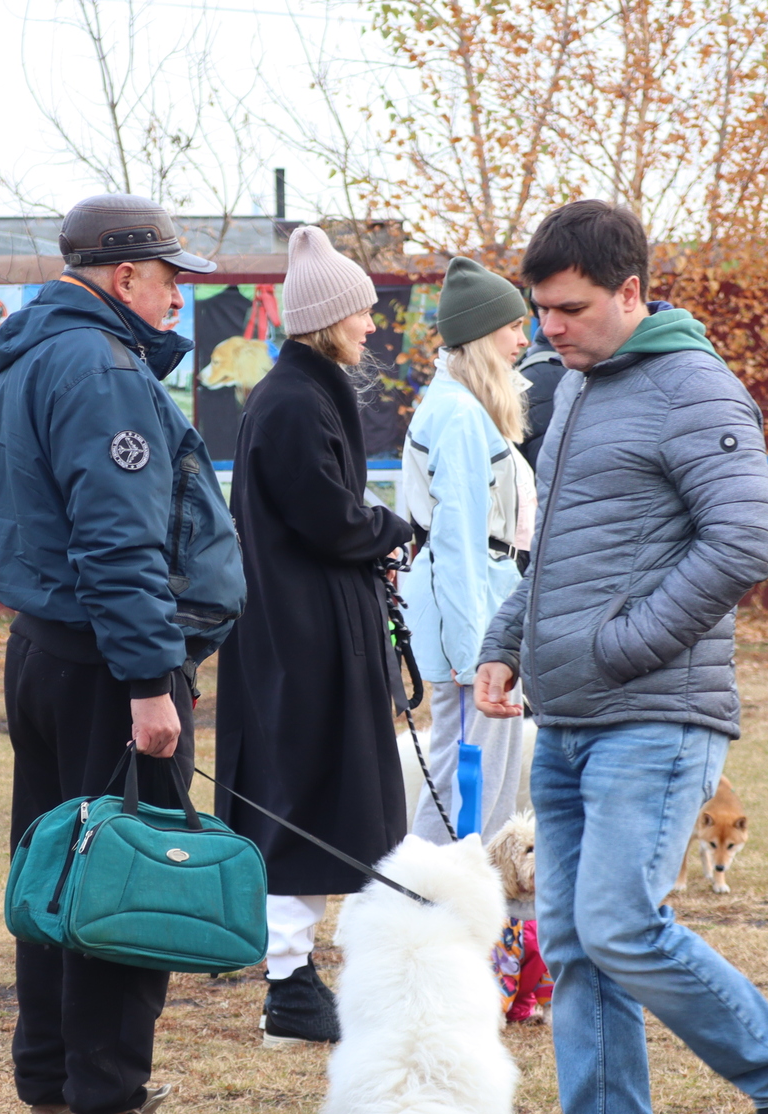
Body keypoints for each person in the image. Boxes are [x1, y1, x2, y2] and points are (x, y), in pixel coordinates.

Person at [474, 200, 768, 1114]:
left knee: (623, 925)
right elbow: (565, 556)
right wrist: (510, 641)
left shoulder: (691, 387)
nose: (548, 329)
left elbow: (739, 546)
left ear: (631, 293)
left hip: (655, 710)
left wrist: (617, 648)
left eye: (570, 309)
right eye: (539, 311)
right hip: (572, 715)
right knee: (574, 936)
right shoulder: (575, 389)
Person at [0, 193, 245, 1114]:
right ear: (123, 278)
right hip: (108, 664)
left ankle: (52, 1111)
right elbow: (118, 540)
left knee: (53, 886)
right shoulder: (103, 368)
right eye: (170, 275)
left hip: (48, 651)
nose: (180, 293)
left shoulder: (37, 357)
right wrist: (147, 681)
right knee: (125, 888)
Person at [214, 225, 416, 1047]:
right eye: (362, 312)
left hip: (312, 632)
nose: (371, 325)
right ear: (330, 318)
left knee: (319, 799)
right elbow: (328, 517)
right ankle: (290, 984)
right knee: (303, 800)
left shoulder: (300, 391)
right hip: (303, 641)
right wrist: (393, 530)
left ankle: (301, 981)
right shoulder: (295, 401)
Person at [398, 255, 537, 845]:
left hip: (485, 600)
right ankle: (436, 912)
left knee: (477, 773)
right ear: (484, 334)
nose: (524, 340)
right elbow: (456, 541)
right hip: (473, 611)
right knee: (474, 779)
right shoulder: (457, 414)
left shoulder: (466, 407)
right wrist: (473, 649)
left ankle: (457, 917)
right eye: (514, 326)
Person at [515, 311, 565, 471]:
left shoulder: (537, 366)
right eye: (513, 327)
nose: (522, 340)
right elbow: (549, 474)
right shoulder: (551, 375)